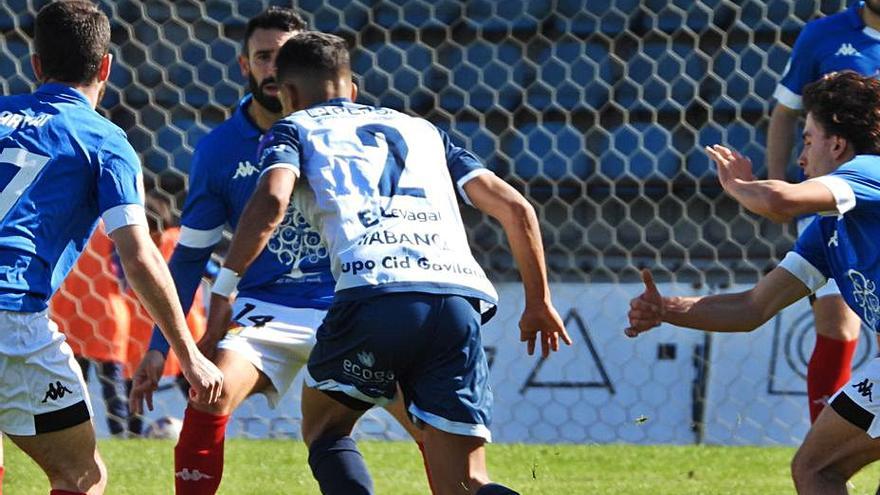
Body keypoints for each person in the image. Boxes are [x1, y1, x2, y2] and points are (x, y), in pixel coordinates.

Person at [213, 32, 571, 495]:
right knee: (466, 483)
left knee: (325, 428)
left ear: (288, 94)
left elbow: (272, 200)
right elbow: (516, 209)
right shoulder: (423, 130)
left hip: (373, 291)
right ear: (352, 88)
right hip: (456, 299)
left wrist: (225, 287)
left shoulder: (293, 128)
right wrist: (538, 302)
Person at [128, 9, 427, 495]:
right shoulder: (220, 150)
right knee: (209, 393)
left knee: (429, 420)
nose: (273, 67)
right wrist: (159, 348)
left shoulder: (351, 136)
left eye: (283, 57)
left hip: (348, 303)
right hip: (264, 311)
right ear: (244, 64)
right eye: (263, 56)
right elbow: (187, 258)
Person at [0, 2, 223, 494]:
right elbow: (139, 255)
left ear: (36, 66)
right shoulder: (103, 140)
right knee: (82, 475)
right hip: (10, 314)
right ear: (106, 66)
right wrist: (187, 354)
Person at [628, 71, 880, 494]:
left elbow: (779, 201)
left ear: (836, 144)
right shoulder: (826, 231)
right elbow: (751, 309)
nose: (801, 158)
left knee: (816, 469)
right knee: (817, 469)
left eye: (808, 139)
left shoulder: (870, 170)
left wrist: (739, 186)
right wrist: (667, 309)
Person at [766, 0, 880, 422]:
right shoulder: (823, 35)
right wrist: (781, 188)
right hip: (829, 198)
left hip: (876, 198)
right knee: (837, 324)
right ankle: (828, 453)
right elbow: (785, 115)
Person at [50, 223, 131, 436]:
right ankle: (121, 433)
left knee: (73, 383)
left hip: (68, 315)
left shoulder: (66, 221)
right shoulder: (115, 226)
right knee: (112, 383)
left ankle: (74, 433)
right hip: (106, 315)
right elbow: (127, 273)